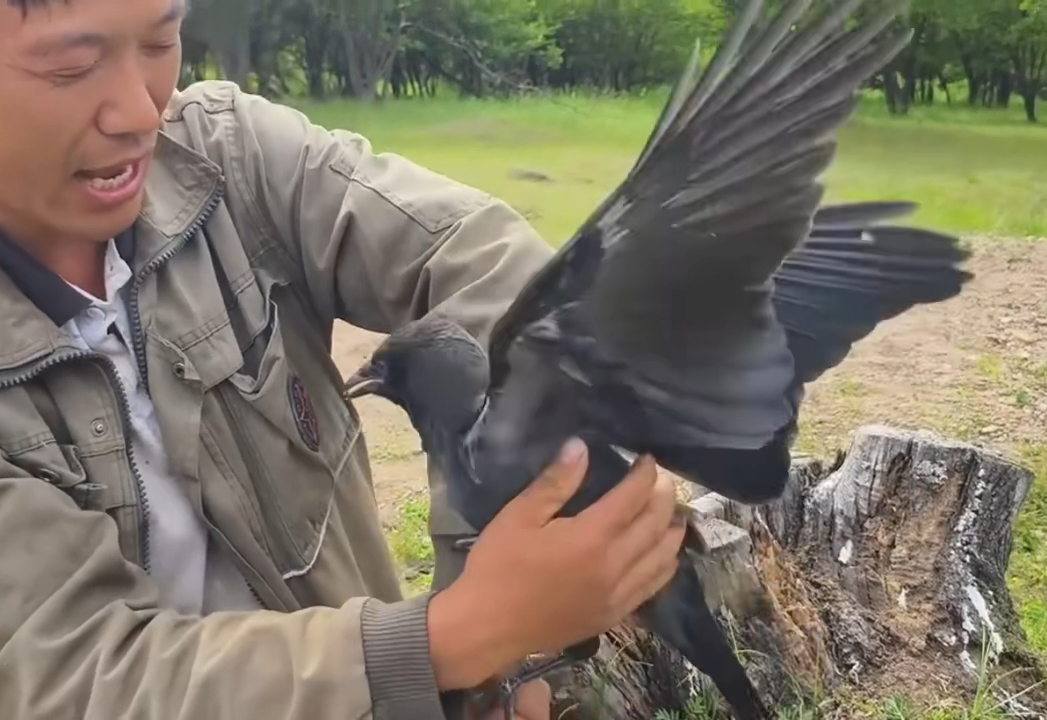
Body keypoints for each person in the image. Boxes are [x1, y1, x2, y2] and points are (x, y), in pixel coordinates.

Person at [0, 0, 688, 719]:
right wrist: (450, 640)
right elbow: (80, 675)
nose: (141, 110)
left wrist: (482, 579)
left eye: (161, 40)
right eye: (70, 68)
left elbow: (490, 265)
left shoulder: (223, 157)